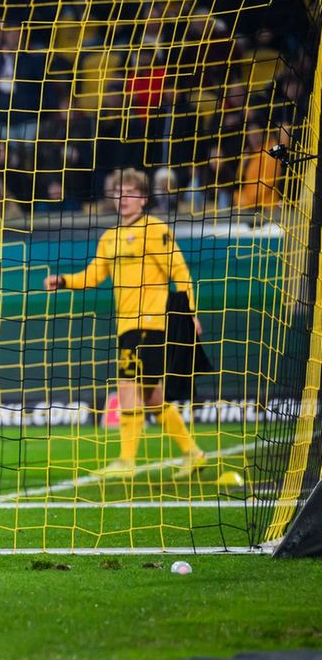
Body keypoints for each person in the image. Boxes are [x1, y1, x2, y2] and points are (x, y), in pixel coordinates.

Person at [45, 167, 205, 478]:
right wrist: (63, 280)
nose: (124, 198)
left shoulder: (155, 229)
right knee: (152, 397)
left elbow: (180, 273)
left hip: (151, 323)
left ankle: (127, 462)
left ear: (144, 199)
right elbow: (94, 276)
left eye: (131, 192)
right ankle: (193, 453)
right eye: (119, 192)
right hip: (127, 326)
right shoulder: (110, 238)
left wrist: (190, 313)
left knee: (128, 387)